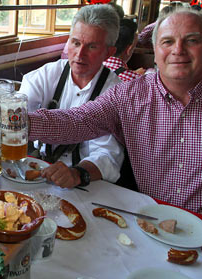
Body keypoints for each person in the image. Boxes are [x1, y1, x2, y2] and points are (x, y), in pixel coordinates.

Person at [27, 9, 202, 222]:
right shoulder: (129, 94)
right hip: (148, 222)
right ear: (155, 49)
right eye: (167, 41)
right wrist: (15, 121)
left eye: (192, 41)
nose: (178, 50)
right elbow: (77, 121)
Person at [20, 4, 124, 189]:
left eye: (91, 46)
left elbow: (108, 155)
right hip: (39, 168)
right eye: (75, 43)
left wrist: (77, 174)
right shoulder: (45, 75)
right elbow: (17, 113)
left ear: (109, 52)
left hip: (88, 183)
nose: (79, 54)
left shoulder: (116, 92)